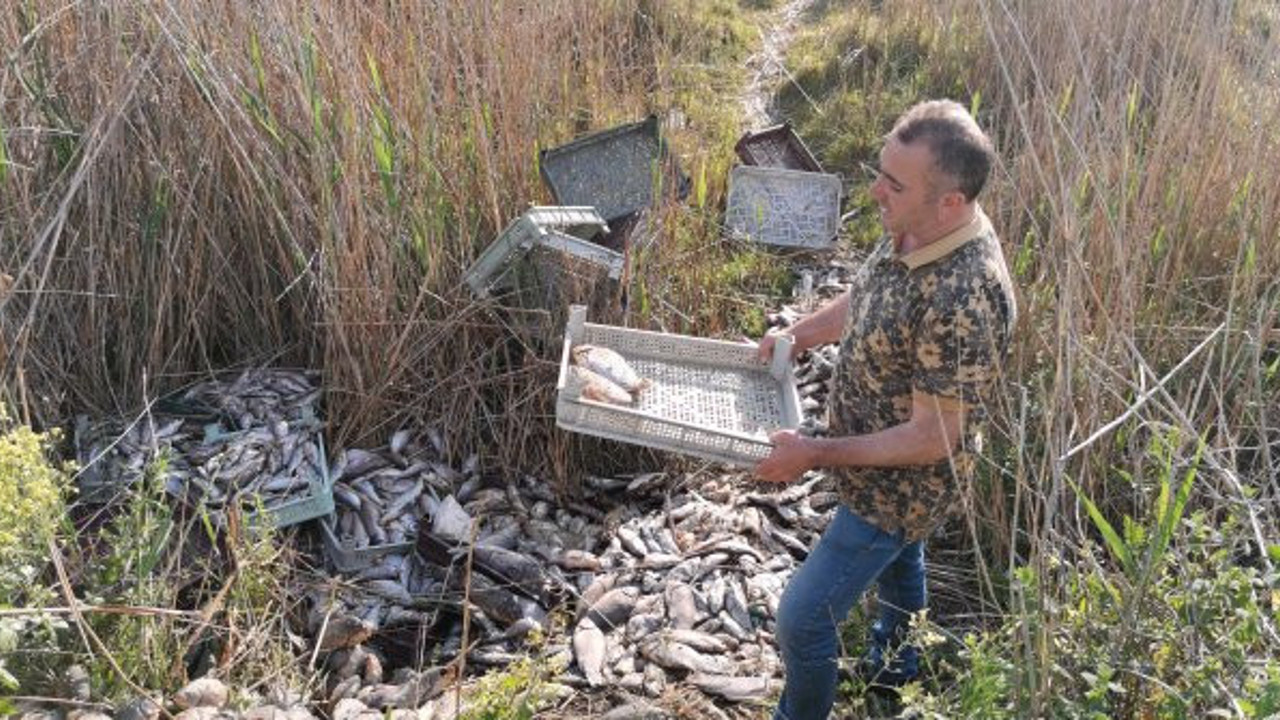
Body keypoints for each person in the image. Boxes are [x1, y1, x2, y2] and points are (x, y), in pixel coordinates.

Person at [754, 99, 1017, 720]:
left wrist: (815, 451)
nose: (874, 191)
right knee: (902, 571)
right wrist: (799, 334)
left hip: (901, 491)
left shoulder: (966, 295)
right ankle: (895, 674)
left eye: (892, 184)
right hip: (870, 462)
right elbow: (870, 295)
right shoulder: (916, 221)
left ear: (950, 201)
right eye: (880, 171)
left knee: (803, 620)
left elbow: (933, 438)